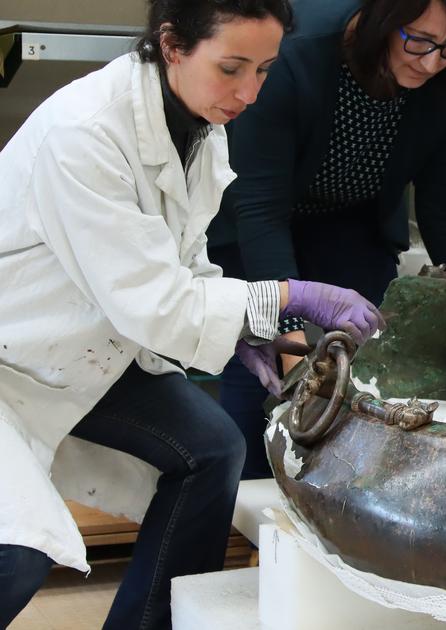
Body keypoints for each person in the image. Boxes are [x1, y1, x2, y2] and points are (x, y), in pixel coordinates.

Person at [0, 0, 385, 626]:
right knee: (15, 551)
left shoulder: (196, 125)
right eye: (232, 68)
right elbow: (152, 302)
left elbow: (182, 264)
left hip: (82, 350)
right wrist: (287, 297)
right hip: (12, 358)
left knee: (210, 448)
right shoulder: (84, 135)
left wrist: (243, 328)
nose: (249, 93)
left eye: (263, 70)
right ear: (173, 44)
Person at [208, 0, 446, 480]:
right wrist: (291, 354)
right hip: (257, 221)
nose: (430, 63)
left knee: (371, 363)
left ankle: (351, 490)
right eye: (419, 41)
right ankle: (248, 490)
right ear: (381, 18)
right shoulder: (297, 55)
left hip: (353, 224)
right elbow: (261, 209)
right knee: (264, 366)